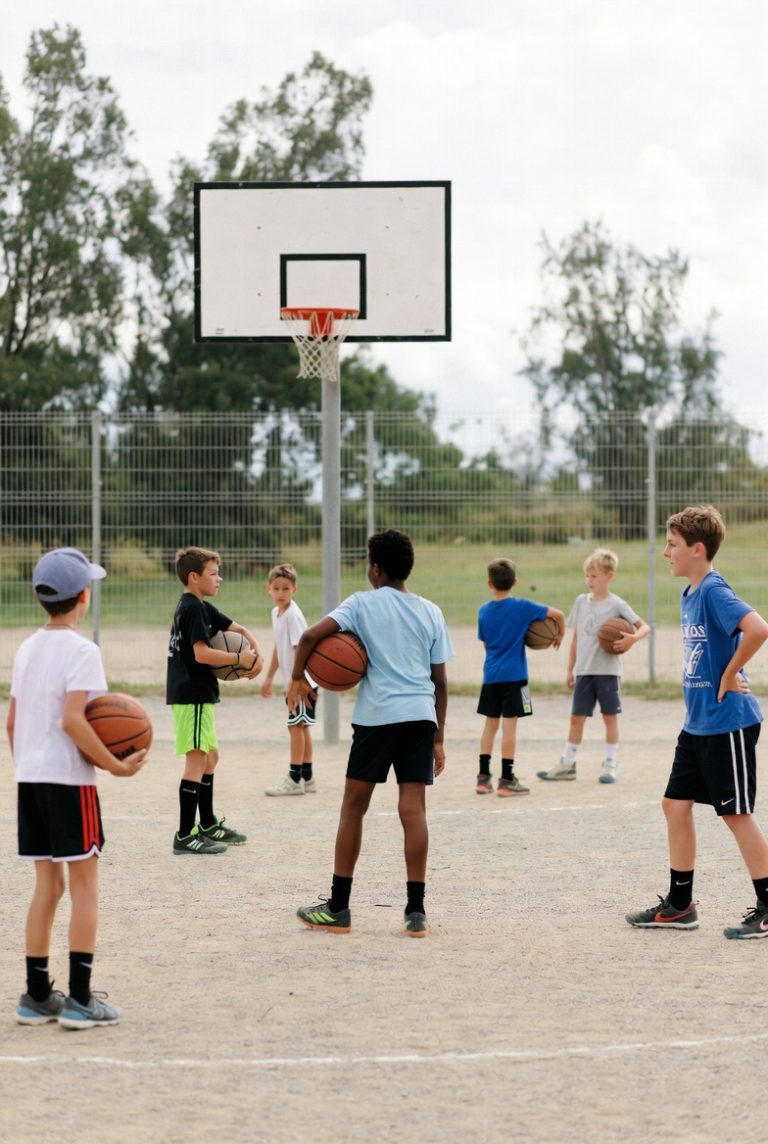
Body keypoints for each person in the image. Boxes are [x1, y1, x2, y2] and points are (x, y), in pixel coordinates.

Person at [9, 547, 148, 1029]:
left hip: (30, 778)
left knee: (47, 887)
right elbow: (73, 720)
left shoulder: (26, 649)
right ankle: (82, 1000)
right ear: (84, 597)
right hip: (68, 782)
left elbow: (12, 723)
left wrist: (31, 765)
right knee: (85, 887)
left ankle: (36, 996)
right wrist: (116, 767)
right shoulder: (83, 650)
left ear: (40, 598)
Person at [288, 528, 452, 938]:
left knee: (353, 807)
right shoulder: (431, 611)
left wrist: (297, 678)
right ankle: (416, 911)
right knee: (413, 810)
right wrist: (438, 738)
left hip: (377, 718)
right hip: (420, 716)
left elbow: (309, 636)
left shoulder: (361, 603)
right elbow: (441, 681)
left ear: (375, 569)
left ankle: (338, 907)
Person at [627, 505, 768, 938]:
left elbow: (758, 628)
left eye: (672, 544)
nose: (665, 552)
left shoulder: (712, 590)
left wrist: (730, 673)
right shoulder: (690, 593)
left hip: (728, 722)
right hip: (698, 724)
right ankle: (680, 905)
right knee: (675, 805)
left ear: (697, 549)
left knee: (736, 814)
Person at [167, 546, 264, 854]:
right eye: (213, 573)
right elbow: (201, 654)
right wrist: (238, 658)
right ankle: (185, 835)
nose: (219, 578)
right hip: (191, 694)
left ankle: (207, 824)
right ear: (194, 577)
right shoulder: (192, 609)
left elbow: (240, 629)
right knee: (197, 759)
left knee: (210, 757)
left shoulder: (202, 607)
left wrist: (257, 656)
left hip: (199, 695)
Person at [537, 547, 649, 784]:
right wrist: (570, 669)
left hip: (608, 672)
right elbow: (576, 638)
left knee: (609, 718)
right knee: (576, 718)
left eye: (595, 576)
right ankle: (568, 764)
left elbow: (644, 627)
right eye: (587, 575)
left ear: (609, 576)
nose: (590, 580)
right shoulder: (581, 602)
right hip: (584, 672)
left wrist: (632, 638)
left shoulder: (616, 604)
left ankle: (610, 762)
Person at [475, 557, 565, 796]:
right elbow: (558, 615)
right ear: (515, 581)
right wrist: (559, 635)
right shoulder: (524, 606)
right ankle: (506, 780)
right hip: (516, 677)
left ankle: (483, 778)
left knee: (490, 725)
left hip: (491, 676)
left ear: (489, 584)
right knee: (510, 727)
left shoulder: (483, 611)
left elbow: (485, 643)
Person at [260, 563, 318, 796]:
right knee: (301, 727)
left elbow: (300, 651)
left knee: (295, 727)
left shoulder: (293, 616)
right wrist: (269, 677)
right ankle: (307, 777)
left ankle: (295, 779)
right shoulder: (276, 613)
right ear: (269, 589)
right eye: (276, 588)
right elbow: (279, 647)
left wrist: (296, 685)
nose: (281, 593)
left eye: (286, 588)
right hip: (294, 681)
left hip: (302, 682)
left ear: (295, 589)